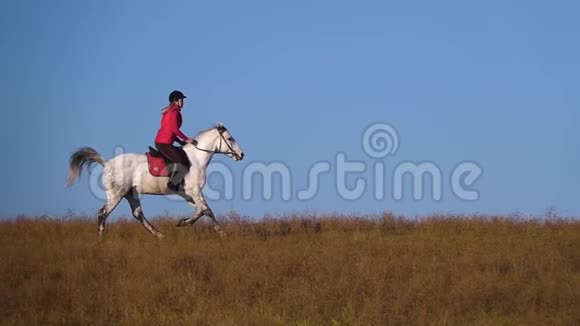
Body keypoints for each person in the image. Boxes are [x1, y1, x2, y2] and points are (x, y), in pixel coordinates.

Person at [154, 90, 197, 191]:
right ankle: (172, 185)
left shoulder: (173, 111)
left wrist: (180, 142)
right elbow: (174, 129)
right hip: (163, 143)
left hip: (166, 142)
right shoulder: (173, 112)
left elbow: (171, 131)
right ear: (175, 101)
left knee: (183, 157)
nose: (183, 103)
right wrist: (186, 139)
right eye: (181, 100)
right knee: (180, 162)